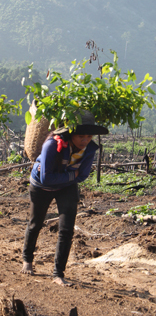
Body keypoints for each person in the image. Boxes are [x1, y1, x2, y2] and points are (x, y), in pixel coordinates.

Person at [22, 111, 108, 286]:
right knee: (35, 223)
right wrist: (71, 175)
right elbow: (46, 178)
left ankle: (58, 273)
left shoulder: (90, 148)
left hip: (66, 187)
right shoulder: (52, 145)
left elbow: (82, 175)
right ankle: (27, 259)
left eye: (89, 136)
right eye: (81, 136)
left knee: (67, 229)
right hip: (40, 186)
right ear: (70, 134)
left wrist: (68, 177)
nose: (85, 140)